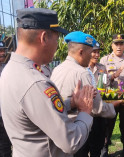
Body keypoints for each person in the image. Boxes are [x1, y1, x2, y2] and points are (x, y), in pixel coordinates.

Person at [0, 8, 95, 157]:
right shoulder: (35, 82)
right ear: (44, 38)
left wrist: (71, 103)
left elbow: (35, 111)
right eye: (56, 39)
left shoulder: (10, 70)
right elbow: (71, 141)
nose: (57, 46)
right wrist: (85, 112)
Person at [50, 32, 121, 157]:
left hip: (59, 126)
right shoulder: (82, 73)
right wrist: (115, 105)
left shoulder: (58, 69)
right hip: (76, 126)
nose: (92, 57)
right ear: (81, 52)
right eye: (90, 53)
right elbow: (97, 107)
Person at [0, 41, 12, 157]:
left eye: (3, 50)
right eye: (0, 51)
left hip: (5, 117)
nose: (3, 53)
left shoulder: (5, 69)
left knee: (6, 149)